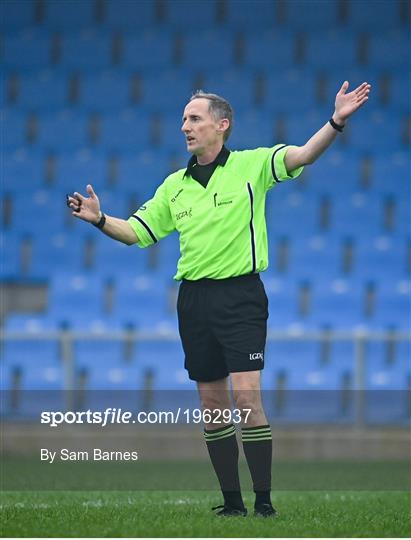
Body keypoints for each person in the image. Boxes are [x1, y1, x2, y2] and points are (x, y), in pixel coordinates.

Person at [67, 81, 371, 517]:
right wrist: (99, 219)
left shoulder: (253, 166)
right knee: (211, 405)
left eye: (194, 118)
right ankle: (232, 504)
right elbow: (136, 232)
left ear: (221, 125)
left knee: (246, 399)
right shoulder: (175, 186)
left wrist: (336, 120)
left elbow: (304, 154)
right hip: (193, 300)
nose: (185, 127)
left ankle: (263, 502)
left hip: (241, 296)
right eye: (183, 120)